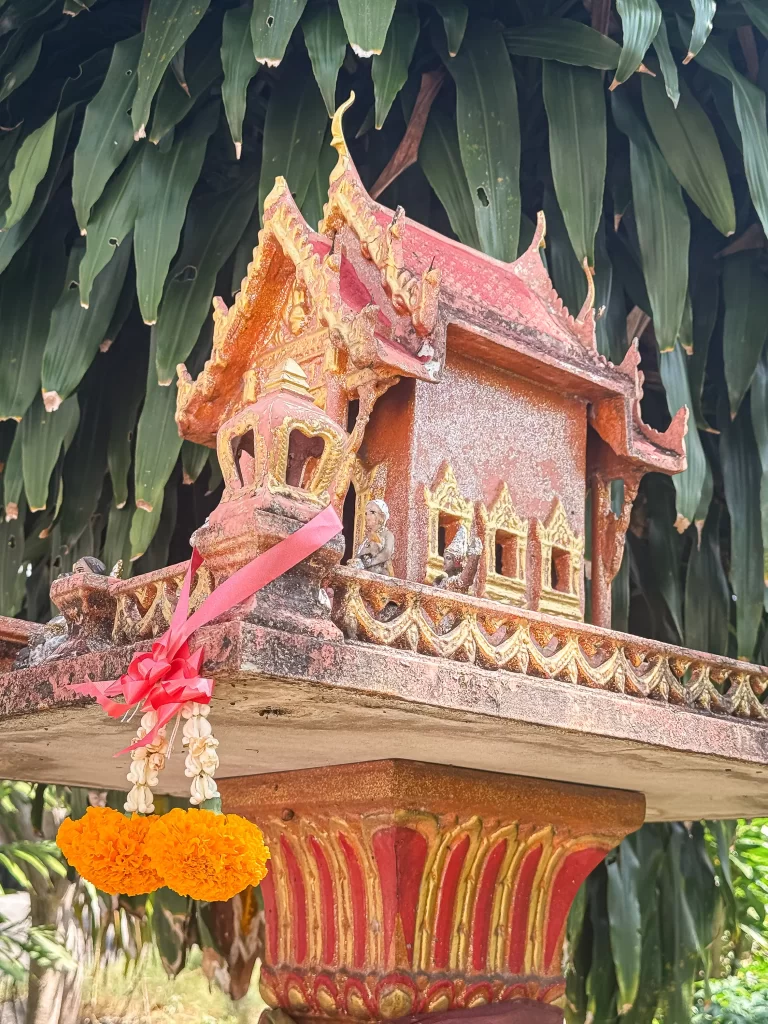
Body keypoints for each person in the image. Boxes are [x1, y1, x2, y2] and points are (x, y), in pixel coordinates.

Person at [348, 499, 395, 575]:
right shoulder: (366, 539)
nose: (367, 517)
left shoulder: (387, 535)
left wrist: (368, 563)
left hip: (379, 576)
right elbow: (358, 557)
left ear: (382, 516)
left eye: (372, 512)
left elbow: (386, 553)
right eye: (366, 513)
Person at [434, 525, 482, 593]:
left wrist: (473, 557)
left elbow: (465, 579)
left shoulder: (453, 582)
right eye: (445, 558)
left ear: (457, 562)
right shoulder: (443, 581)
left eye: (448, 558)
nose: (444, 562)